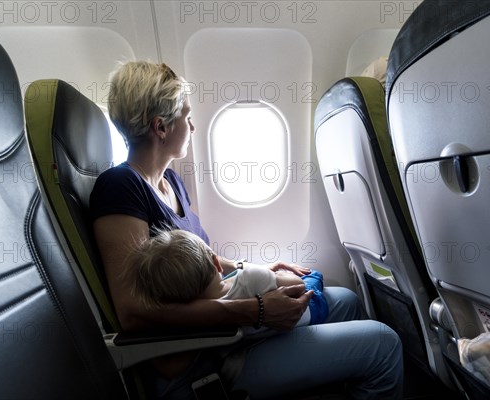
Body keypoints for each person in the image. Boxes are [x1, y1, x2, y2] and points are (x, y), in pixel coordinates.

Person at [90, 60, 403, 399]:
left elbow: (201, 259)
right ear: (160, 127)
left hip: (225, 330)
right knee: (383, 344)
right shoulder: (120, 187)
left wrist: (252, 269)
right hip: (203, 357)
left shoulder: (171, 183)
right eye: (186, 116)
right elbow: (135, 311)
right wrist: (259, 309)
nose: (193, 127)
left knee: (345, 300)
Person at [125, 229, 329, 327]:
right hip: (306, 312)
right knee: (314, 277)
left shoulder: (201, 316)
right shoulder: (250, 277)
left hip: (257, 336)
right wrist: (277, 275)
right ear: (216, 262)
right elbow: (298, 286)